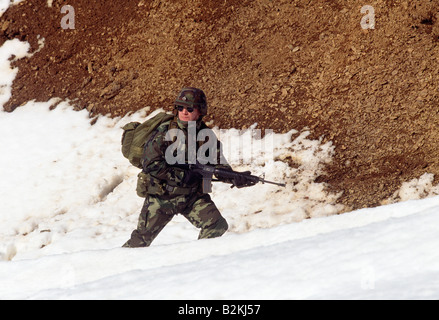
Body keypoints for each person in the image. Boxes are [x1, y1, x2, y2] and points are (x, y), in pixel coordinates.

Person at [123, 87, 247, 248]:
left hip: (191, 197)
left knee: (216, 225)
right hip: (162, 197)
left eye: (189, 108)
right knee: (139, 242)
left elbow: (217, 164)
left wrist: (235, 177)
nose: (184, 112)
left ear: (200, 111)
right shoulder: (165, 131)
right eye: (180, 108)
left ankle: (197, 260)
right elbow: (151, 164)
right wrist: (182, 176)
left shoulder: (206, 135)